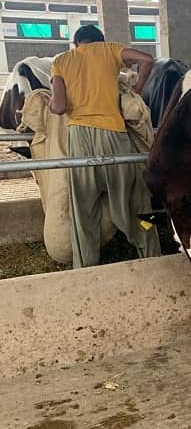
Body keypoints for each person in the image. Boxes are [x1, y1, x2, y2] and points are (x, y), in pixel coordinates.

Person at [48, 24, 161, 268]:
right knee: (135, 202)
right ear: (100, 40)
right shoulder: (110, 50)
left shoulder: (61, 60)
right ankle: (152, 256)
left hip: (78, 139)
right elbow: (147, 59)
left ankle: (85, 268)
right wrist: (138, 87)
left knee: (83, 211)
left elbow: (57, 107)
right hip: (113, 136)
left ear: (77, 43)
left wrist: (50, 104)